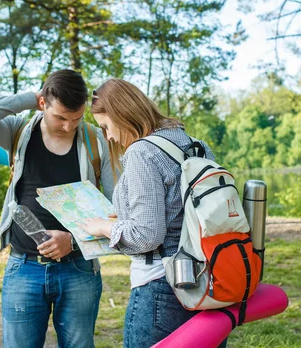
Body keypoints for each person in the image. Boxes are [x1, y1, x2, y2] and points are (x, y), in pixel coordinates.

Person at [0, 69, 115, 348]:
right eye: (60, 118)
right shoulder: (17, 131)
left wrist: (74, 241)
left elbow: (117, 211)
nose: (69, 126)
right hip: (24, 269)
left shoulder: (97, 141)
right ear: (43, 103)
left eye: (77, 118)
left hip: (79, 270)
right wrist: (27, 99)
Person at [80, 78, 227, 348]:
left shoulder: (142, 151)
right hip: (208, 278)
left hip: (162, 285)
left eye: (106, 127)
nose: (109, 136)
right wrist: (125, 219)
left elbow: (147, 236)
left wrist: (103, 227)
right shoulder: (195, 144)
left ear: (120, 114)